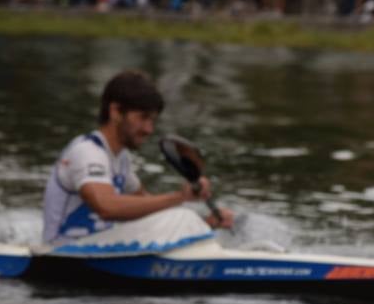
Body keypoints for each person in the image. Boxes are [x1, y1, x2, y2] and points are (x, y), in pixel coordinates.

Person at [42, 70, 233, 247]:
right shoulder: (87, 152)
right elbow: (106, 207)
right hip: (62, 253)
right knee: (181, 216)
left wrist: (205, 223)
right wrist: (180, 197)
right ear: (116, 111)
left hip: (95, 250)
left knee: (182, 216)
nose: (149, 129)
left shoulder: (121, 159)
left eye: (152, 121)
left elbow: (146, 210)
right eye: (143, 118)